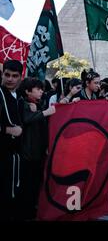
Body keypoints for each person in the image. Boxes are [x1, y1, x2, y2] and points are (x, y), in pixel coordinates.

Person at [18, 78, 56, 220]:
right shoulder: (23, 104)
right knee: (28, 186)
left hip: (38, 153)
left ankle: (33, 210)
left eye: (42, 89)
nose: (41, 91)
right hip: (28, 154)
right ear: (28, 91)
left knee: (35, 185)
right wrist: (46, 112)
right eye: (38, 89)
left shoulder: (37, 104)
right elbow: (27, 119)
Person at [0, 60, 25, 220]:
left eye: (14, 76)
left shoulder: (17, 97)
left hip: (13, 156)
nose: (10, 79)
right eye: (7, 75)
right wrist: (8, 129)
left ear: (20, 78)